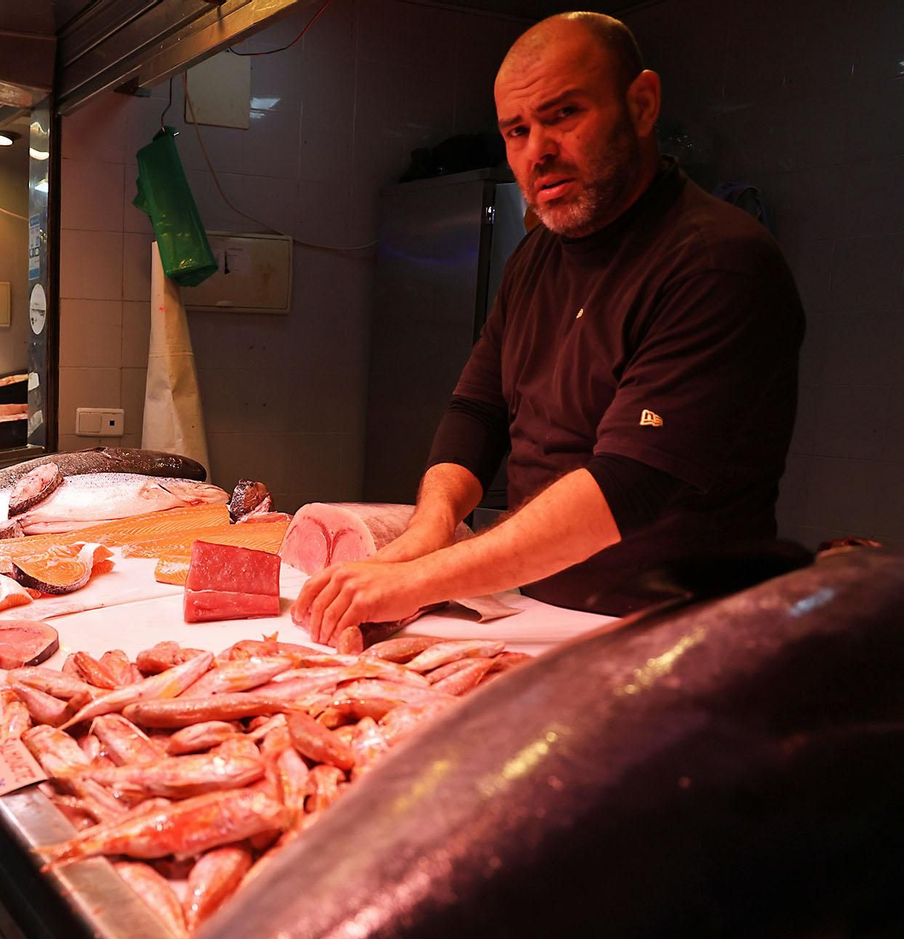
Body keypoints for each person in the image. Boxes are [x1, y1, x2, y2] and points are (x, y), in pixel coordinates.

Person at [297, 11, 802, 642]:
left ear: (641, 105)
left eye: (564, 114)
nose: (537, 151)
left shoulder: (716, 260)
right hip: (539, 615)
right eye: (517, 130)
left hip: (677, 632)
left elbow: (630, 482)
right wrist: (428, 531)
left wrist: (420, 579)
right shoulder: (535, 257)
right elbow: (477, 413)